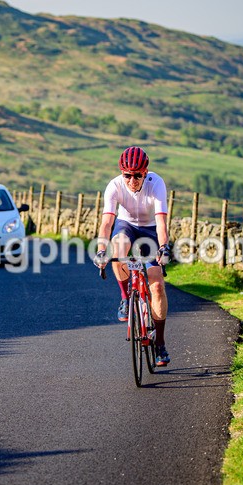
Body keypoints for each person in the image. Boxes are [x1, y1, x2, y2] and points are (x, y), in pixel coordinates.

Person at [93, 146, 172, 366]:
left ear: (145, 172)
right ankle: (126, 298)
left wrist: (164, 247)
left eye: (137, 175)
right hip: (126, 225)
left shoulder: (156, 183)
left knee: (156, 286)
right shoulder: (115, 186)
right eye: (127, 175)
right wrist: (101, 250)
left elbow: (162, 223)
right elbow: (107, 223)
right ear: (122, 173)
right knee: (117, 248)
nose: (132, 180)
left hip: (150, 229)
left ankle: (160, 344)